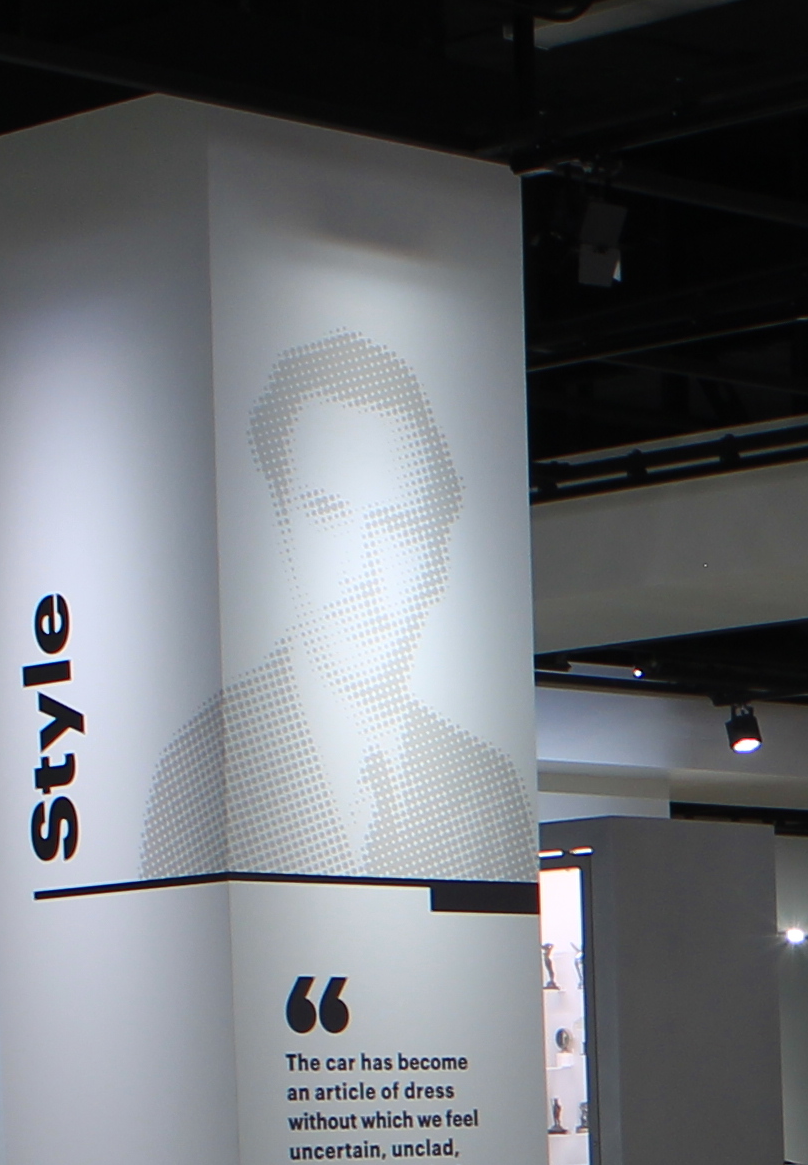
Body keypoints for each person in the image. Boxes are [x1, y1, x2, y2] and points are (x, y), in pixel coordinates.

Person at [141, 332, 526, 880]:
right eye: (326, 513)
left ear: (436, 557)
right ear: (281, 527)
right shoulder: (205, 770)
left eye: (396, 525)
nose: (361, 572)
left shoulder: (488, 792)